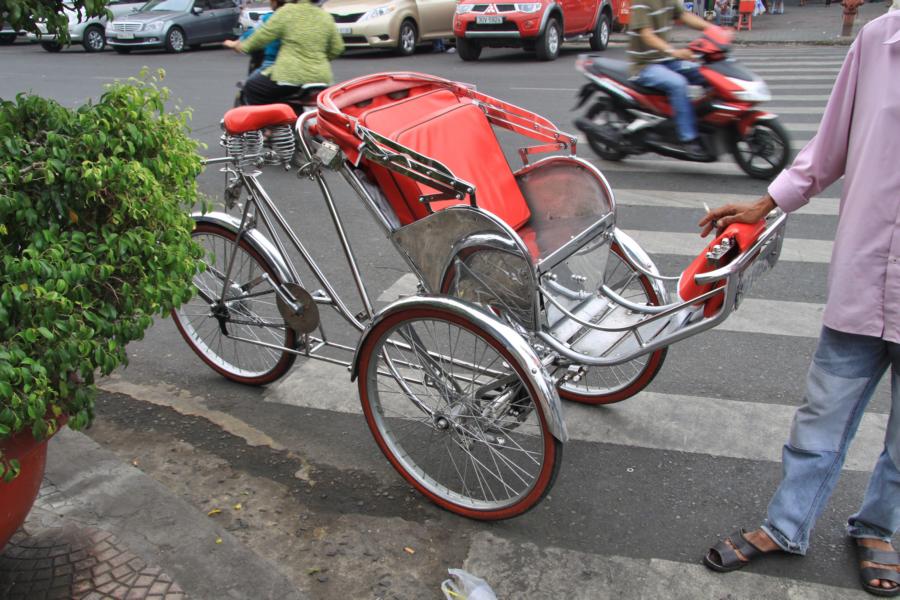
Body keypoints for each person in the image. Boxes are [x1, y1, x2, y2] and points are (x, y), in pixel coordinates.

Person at [699, 10, 900, 597]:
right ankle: (786, 527)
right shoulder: (879, 39)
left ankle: (878, 527)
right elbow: (831, 143)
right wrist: (766, 203)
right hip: (867, 272)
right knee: (820, 416)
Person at [627, 0, 713, 160]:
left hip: (665, 60)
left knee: (705, 73)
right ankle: (688, 138)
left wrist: (712, 29)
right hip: (644, 65)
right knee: (678, 84)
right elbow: (647, 34)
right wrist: (673, 52)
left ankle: (706, 123)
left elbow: (685, 15)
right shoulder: (641, 2)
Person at [224, 0, 344, 106]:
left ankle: (267, 128)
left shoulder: (287, 12)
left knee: (252, 87)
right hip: (321, 77)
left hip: (290, 75)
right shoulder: (324, 16)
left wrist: (241, 46)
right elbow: (337, 48)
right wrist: (317, 59)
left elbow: (261, 37)